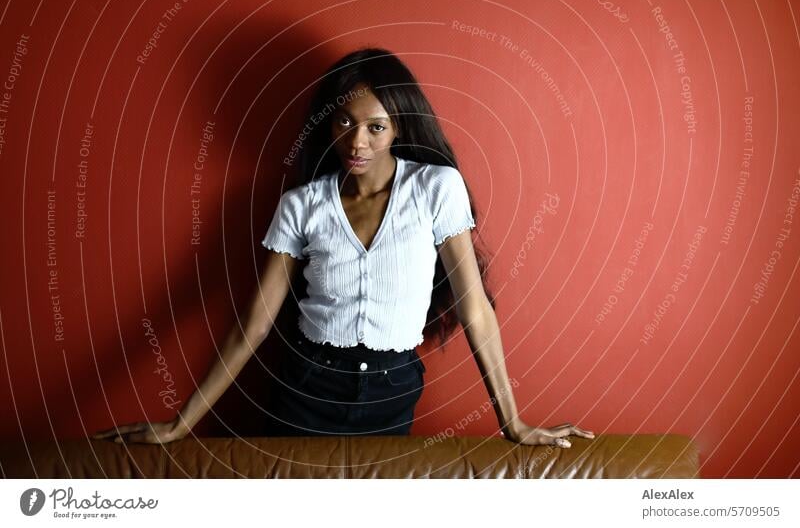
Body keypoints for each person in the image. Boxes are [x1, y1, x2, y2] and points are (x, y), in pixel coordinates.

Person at [91, 47, 594, 448]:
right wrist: (180, 424)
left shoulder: (436, 189)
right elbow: (255, 323)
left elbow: (474, 309)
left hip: (392, 390)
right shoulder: (301, 205)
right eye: (344, 123)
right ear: (327, 124)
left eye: (376, 127)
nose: (357, 142)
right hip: (305, 387)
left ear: (399, 126)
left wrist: (514, 423)